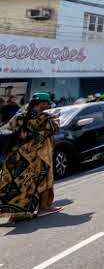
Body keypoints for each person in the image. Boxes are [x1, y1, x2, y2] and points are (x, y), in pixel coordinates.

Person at [0, 92, 60, 222]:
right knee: (44, 180)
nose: (48, 106)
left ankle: (16, 214)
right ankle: (43, 208)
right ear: (42, 103)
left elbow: (7, 129)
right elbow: (54, 129)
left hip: (18, 156)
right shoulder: (46, 118)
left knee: (19, 184)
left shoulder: (19, 117)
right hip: (39, 156)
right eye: (47, 103)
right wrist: (55, 119)